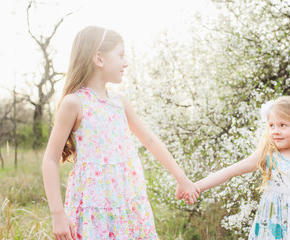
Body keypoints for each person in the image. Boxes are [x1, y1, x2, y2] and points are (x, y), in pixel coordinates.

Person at [42, 26, 200, 240]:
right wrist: (58, 214)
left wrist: (182, 179)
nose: (126, 63)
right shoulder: (74, 103)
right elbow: (50, 159)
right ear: (99, 58)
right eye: (120, 55)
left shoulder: (119, 102)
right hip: (94, 208)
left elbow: (151, 141)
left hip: (128, 204)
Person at [191, 96, 290, 239]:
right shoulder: (268, 155)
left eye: (282, 125)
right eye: (271, 125)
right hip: (271, 232)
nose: (275, 131)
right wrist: (196, 186)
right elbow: (230, 171)